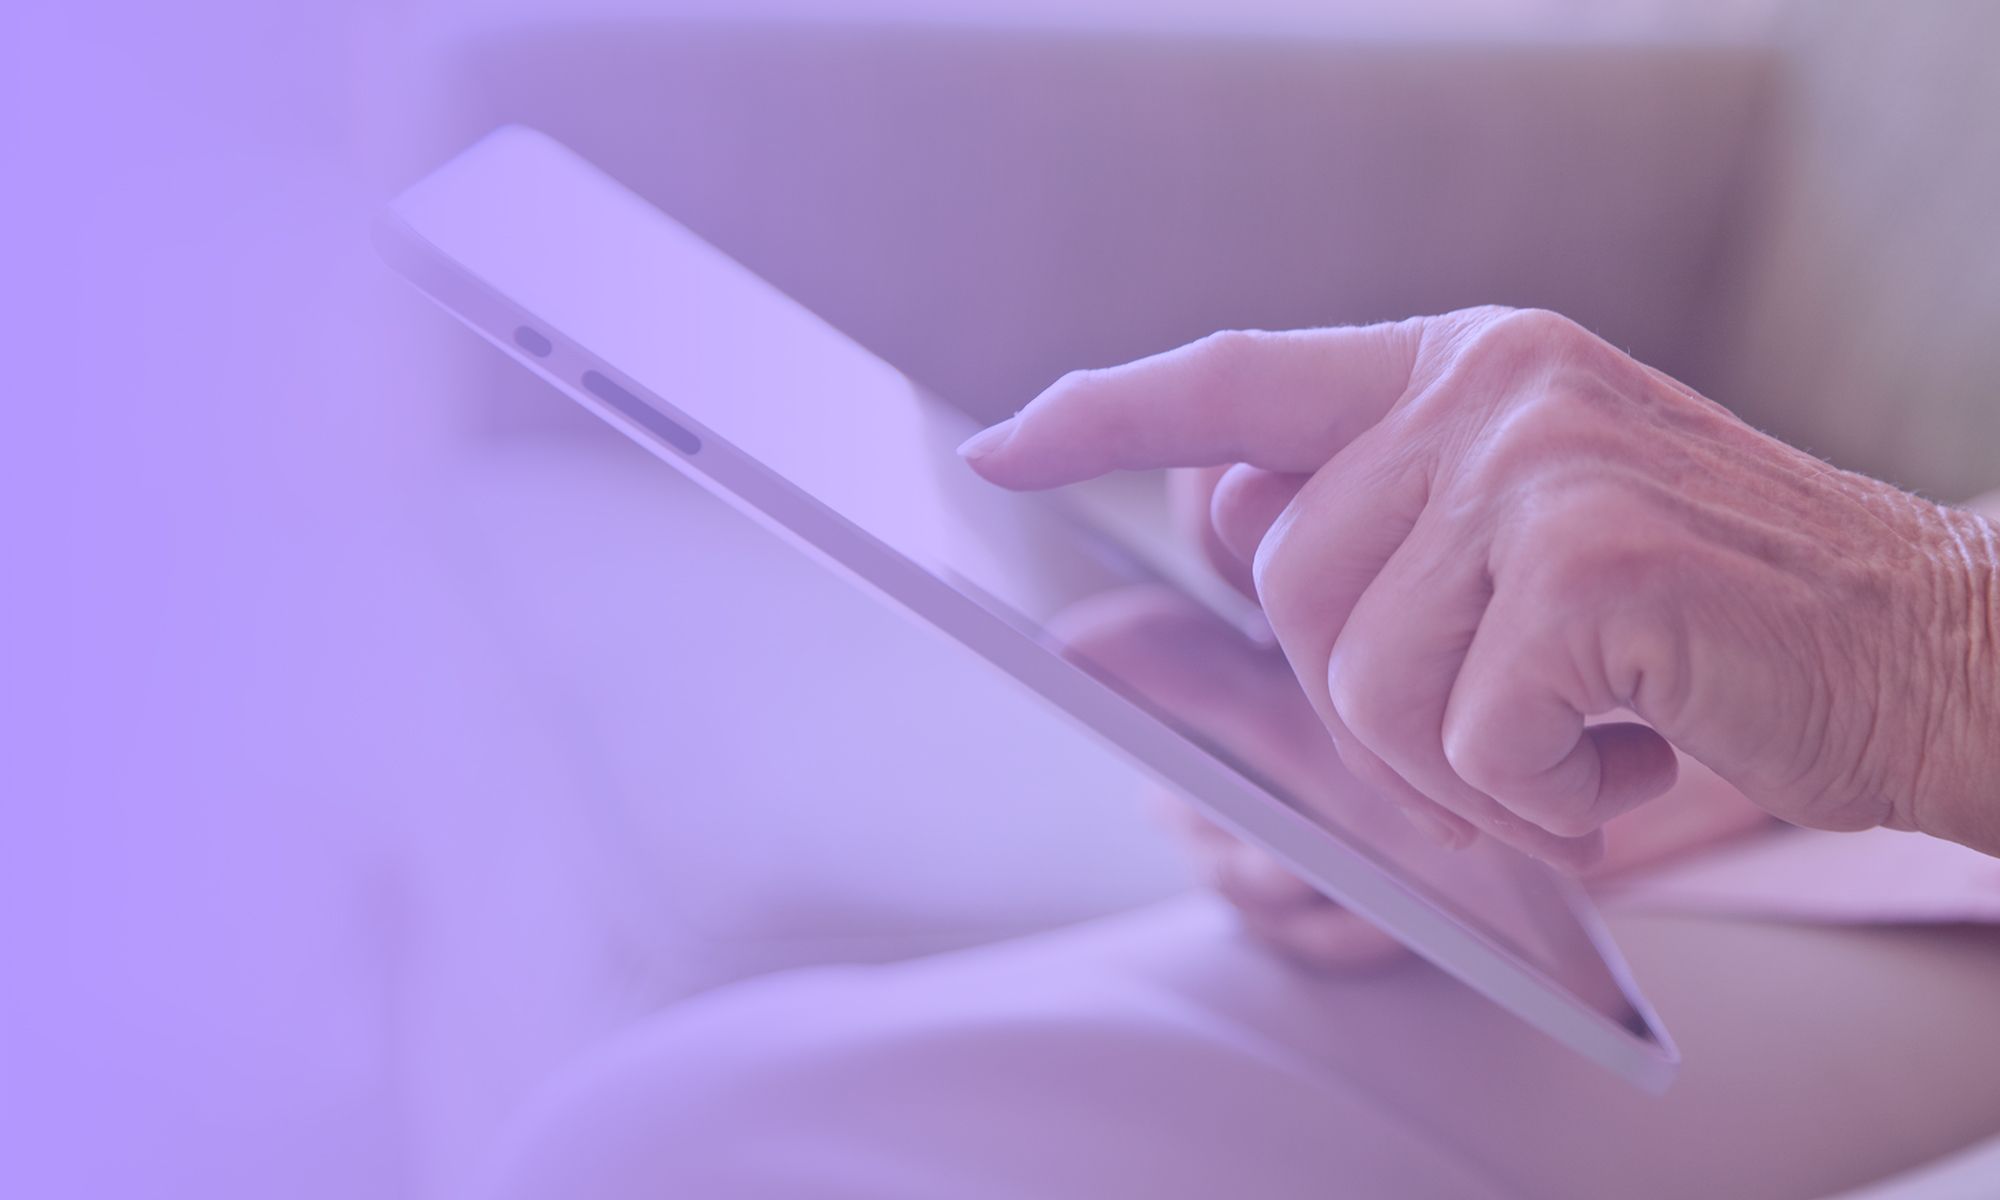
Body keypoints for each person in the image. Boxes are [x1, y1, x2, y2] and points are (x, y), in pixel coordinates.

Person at [486, 309, 2000, 1199]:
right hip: (1913, 861)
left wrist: (1933, 653)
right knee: (701, 1133)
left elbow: (1939, 649)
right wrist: (1678, 760)